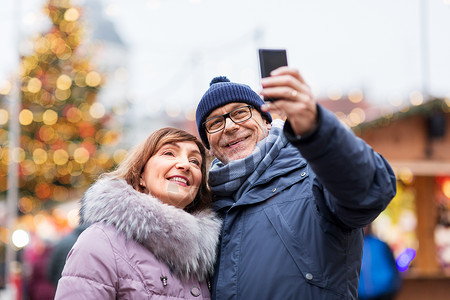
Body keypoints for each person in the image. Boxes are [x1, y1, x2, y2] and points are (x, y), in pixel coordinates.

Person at [195, 67, 397, 299]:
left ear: (266, 121)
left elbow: (372, 190)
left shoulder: (316, 176)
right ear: (208, 145)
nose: (229, 126)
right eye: (214, 123)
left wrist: (316, 127)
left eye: (240, 113)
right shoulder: (206, 210)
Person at [54, 127, 222, 299]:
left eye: (195, 161)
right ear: (140, 174)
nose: (185, 165)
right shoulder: (100, 241)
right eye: (169, 153)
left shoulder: (208, 254)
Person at [358, 225, 401, 300]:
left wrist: (393, 288)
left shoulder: (380, 244)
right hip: (360, 295)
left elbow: (393, 267)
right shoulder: (350, 247)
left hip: (384, 293)